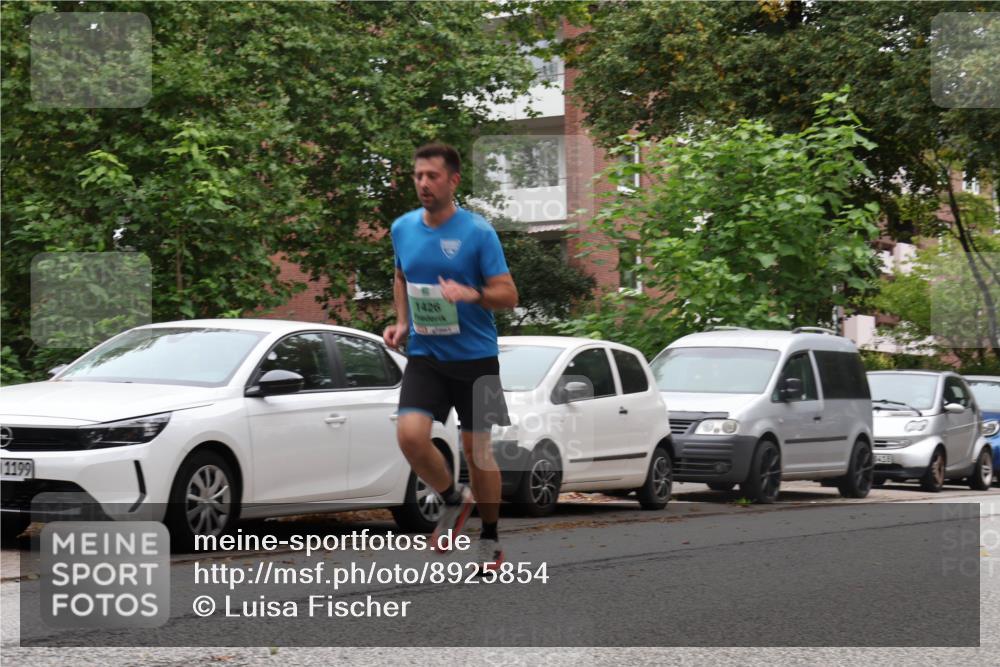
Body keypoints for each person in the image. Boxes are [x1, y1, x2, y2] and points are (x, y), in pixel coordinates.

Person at [384, 143, 518, 570]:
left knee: (478, 452)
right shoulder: (402, 228)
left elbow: (509, 295)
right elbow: (402, 275)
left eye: (432, 176)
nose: (423, 183)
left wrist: (472, 294)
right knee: (409, 435)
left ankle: (491, 538)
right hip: (427, 353)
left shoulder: (478, 232)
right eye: (418, 175)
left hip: (477, 358)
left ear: (453, 180)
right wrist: (402, 322)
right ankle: (452, 499)